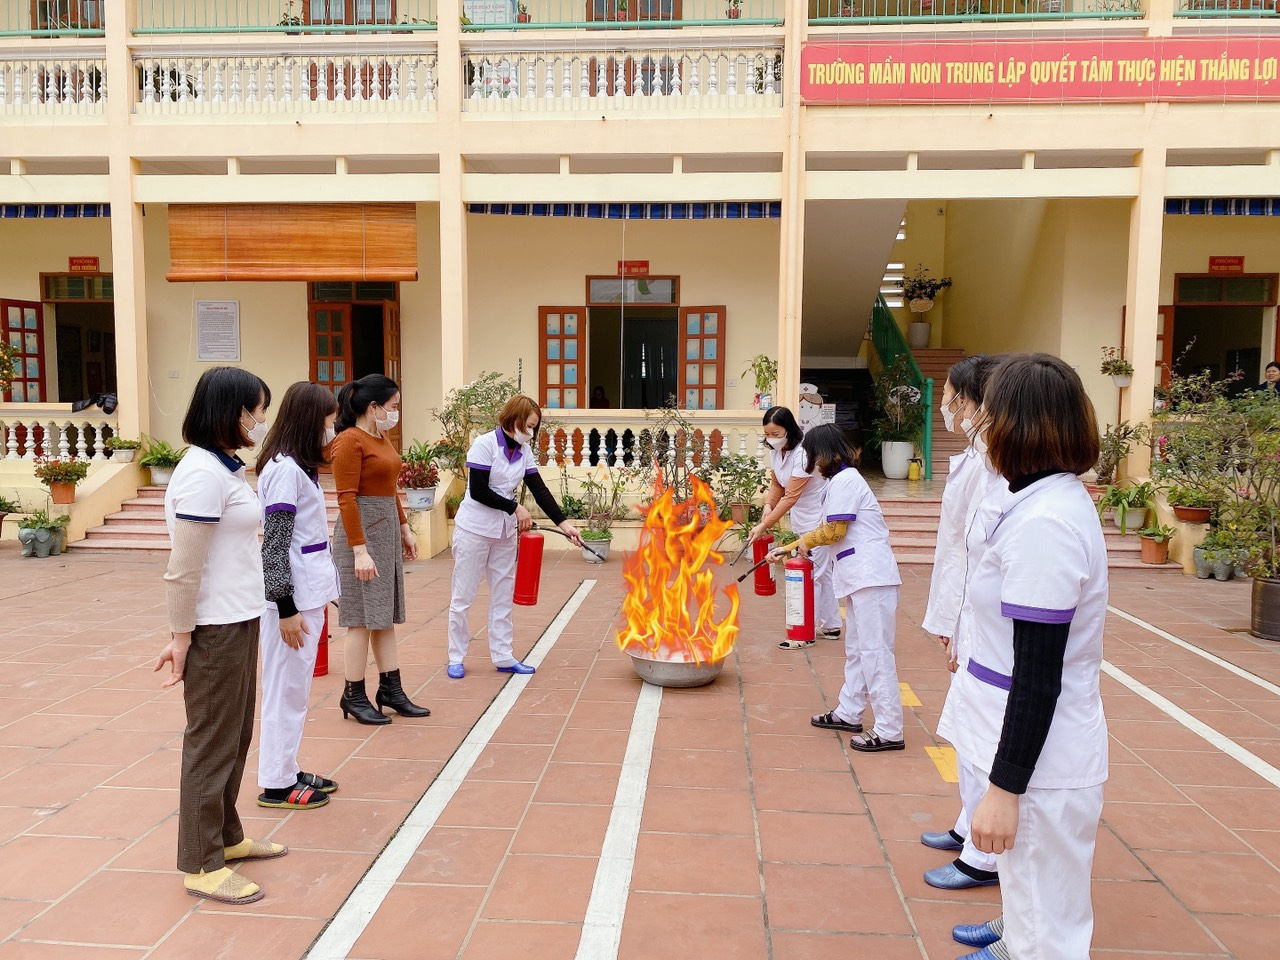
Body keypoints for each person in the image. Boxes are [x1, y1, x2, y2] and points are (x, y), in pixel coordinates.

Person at [947, 353, 1108, 960]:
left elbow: (1038, 676)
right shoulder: (1035, 499)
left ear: (1019, 425)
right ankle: (1017, 938)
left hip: (1040, 757)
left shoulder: (1047, 525)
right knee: (1033, 897)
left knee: (1049, 932)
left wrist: (1003, 790)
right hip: (1019, 734)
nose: (979, 425)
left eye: (988, 415)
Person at [155, 365, 285, 906]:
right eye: (257, 410)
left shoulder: (224, 469)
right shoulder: (202, 475)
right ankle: (202, 863)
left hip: (240, 616)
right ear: (232, 412)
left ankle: (226, 837)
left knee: (236, 737)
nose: (261, 419)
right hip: (214, 626)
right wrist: (181, 637)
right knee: (210, 745)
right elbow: (183, 569)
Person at [917, 355, 1008, 891]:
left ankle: (982, 856)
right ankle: (966, 823)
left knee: (978, 737)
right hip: (965, 610)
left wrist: (954, 621)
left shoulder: (991, 464)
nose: (945, 407)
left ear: (974, 402)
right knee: (964, 727)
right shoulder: (975, 455)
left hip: (979, 617)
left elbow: (974, 554)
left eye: (951, 397)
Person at [770, 423, 905, 751]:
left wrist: (798, 543)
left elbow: (833, 531)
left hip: (871, 578)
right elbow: (827, 530)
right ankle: (849, 712)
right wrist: (793, 546)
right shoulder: (839, 482)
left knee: (875, 653)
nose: (811, 464)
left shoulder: (846, 481)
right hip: (860, 579)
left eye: (812, 457)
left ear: (824, 454)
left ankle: (890, 729)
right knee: (858, 650)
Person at [448, 395, 583, 678]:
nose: (531, 433)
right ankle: (456, 657)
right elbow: (478, 491)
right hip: (474, 529)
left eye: (534, 427)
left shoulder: (524, 450)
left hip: (504, 532)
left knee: (502, 594)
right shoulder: (484, 444)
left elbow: (539, 489)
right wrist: (515, 507)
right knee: (463, 596)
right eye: (529, 426)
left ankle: (503, 656)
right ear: (514, 420)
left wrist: (564, 525)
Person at [255, 382, 342, 810]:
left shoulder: (299, 468)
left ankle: (286, 768)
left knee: (295, 690)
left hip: (308, 592)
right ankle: (276, 783)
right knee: (285, 691)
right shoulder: (285, 471)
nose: (332, 430)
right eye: (329, 421)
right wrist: (286, 608)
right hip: (292, 602)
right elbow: (274, 545)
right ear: (311, 421)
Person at [330, 374, 427, 725]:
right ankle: (353, 694)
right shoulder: (348, 441)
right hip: (360, 537)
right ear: (373, 407)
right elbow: (346, 498)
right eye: (393, 406)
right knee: (360, 620)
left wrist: (404, 529)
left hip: (384, 533)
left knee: (384, 617)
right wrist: (359, 550)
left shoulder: (380, 436)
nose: (396, 411)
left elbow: (389, 487)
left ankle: (391, 690)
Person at [748, 405, 842, 648]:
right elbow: (777, 484)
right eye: (767, 434)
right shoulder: (776, 452)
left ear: (789, 430)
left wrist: (764, 525)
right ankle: (831, 625)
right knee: (821, 572)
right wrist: (768, 505)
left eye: (776, 434)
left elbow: (791, 496)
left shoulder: (802, 455)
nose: (771, 439)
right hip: (802, 517)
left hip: (818, 517)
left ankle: (805, 632)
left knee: (812, 573)